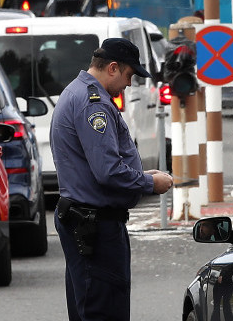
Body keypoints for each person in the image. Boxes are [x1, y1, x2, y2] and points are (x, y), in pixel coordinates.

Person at [50, 37, 173, 321]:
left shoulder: (78, 92)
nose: (129, 84)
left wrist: (141, 175)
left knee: (90, 305)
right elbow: (107, 171)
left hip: (87, 220)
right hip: (95, 224)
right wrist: (149, 183)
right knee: (104, 309)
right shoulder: (93, 103)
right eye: (129, 75)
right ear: (113, 68)